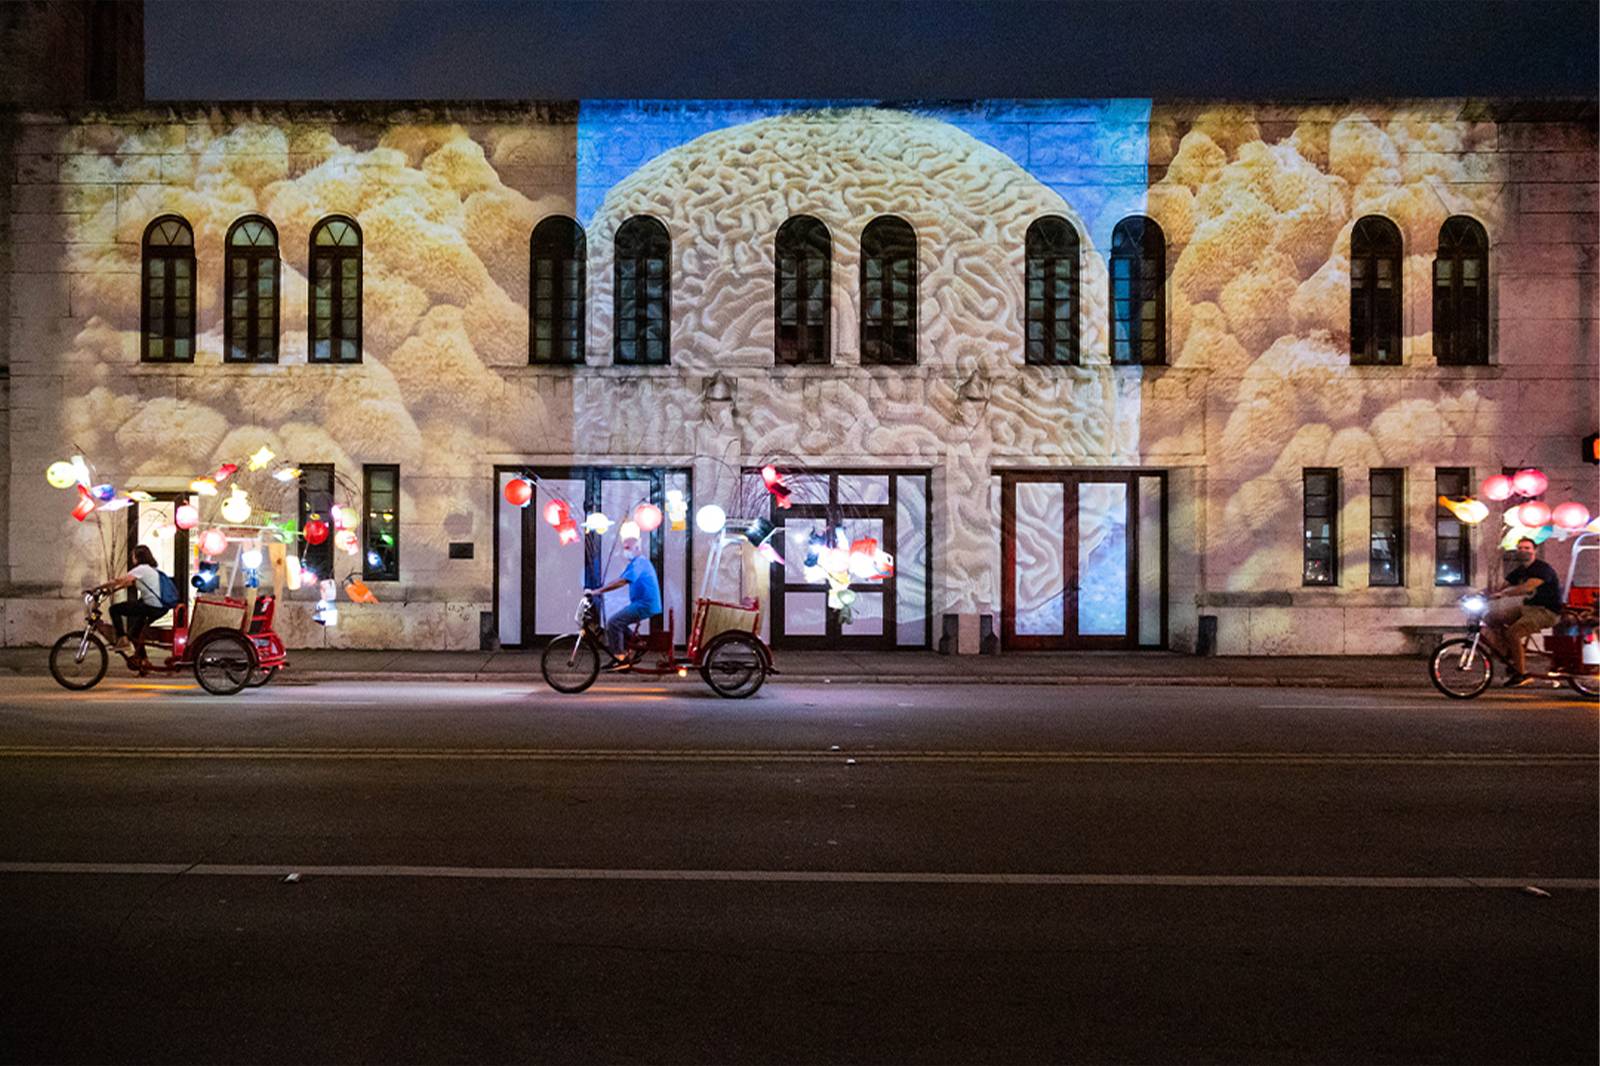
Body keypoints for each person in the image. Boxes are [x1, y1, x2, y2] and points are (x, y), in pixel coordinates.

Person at [1483, 536, 1563, 687]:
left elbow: (1528, 587)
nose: (1523, 551)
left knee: (1513, 633)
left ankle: (1521, 673)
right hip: (1528, 608)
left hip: (1546, 611)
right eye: (1520, 548)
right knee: (1491, 618)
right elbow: (1503, 585)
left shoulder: (1542, 569)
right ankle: (1510, 654)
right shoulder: (1520, 570)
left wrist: (1504, 594)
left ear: (1535, 551)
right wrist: (1482, 594)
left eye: (1527, 548)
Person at [585, 536, 662, 666]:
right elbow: (619, 579)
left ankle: (620, 658)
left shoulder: (639, 563)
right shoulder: (636, 563)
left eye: (628, 548)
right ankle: (638, 644)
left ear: (637, 548)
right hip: (643, 603)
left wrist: (597, 592)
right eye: (624, 548)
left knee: (614, 623)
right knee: (618, 622)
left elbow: (622, 581)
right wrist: (601, 590)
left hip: (645, 604)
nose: (625, 551)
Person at [92, 545, 170, 657]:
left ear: (138, 557)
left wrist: (97, 588)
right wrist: (110, 591)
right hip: (160, 607)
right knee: (135, 633)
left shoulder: (141, 569)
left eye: (133, 556)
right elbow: (128, 583)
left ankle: (122, 640)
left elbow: (119, 580)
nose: (132, 558)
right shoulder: (151, 570)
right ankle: (142, 660)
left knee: (114, 609)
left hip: (152, 607)